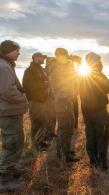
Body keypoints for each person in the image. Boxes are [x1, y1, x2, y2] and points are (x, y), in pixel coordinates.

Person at [79, 52, 109, 171]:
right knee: (102, 136)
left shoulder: (83, 75)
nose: (101, 63)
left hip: (87, 112)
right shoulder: (97, 75)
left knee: (91, 136)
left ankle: (93, 162)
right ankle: (102, 164)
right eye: (99, 60)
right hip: (99, 112)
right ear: (95, 62)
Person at [0, 40, 28, 191]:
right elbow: (8, 92)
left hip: (10, 111)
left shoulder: (6, 65)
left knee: (14, 142)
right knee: (11, 144)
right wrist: (24, 98)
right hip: (8, 112)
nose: (19, 53)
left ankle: (10, 169)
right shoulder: (3, 67)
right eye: (17, 50)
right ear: (8, 51)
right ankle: (4, 180)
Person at [48, 48, 79, 163]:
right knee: (65, 127)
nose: (67, 57)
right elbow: (68, 77)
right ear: (60, 56)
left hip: (65, 99)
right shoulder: (57, 67)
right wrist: (72, 62)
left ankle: (63, 150)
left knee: (67, 126)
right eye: (65, 55)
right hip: (62, 99)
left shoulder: (59, 66)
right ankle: (64, 154)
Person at [23, 52, 51, 152]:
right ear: (35, 58)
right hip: (35, 101)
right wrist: (43, 84)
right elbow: (27, 86)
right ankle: (35, 145)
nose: (43, 59)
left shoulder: (40, 69)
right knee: (37, 123)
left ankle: (40, 142)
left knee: (43, 122)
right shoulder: (30, 70)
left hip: (42, 101)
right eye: (41, 57)